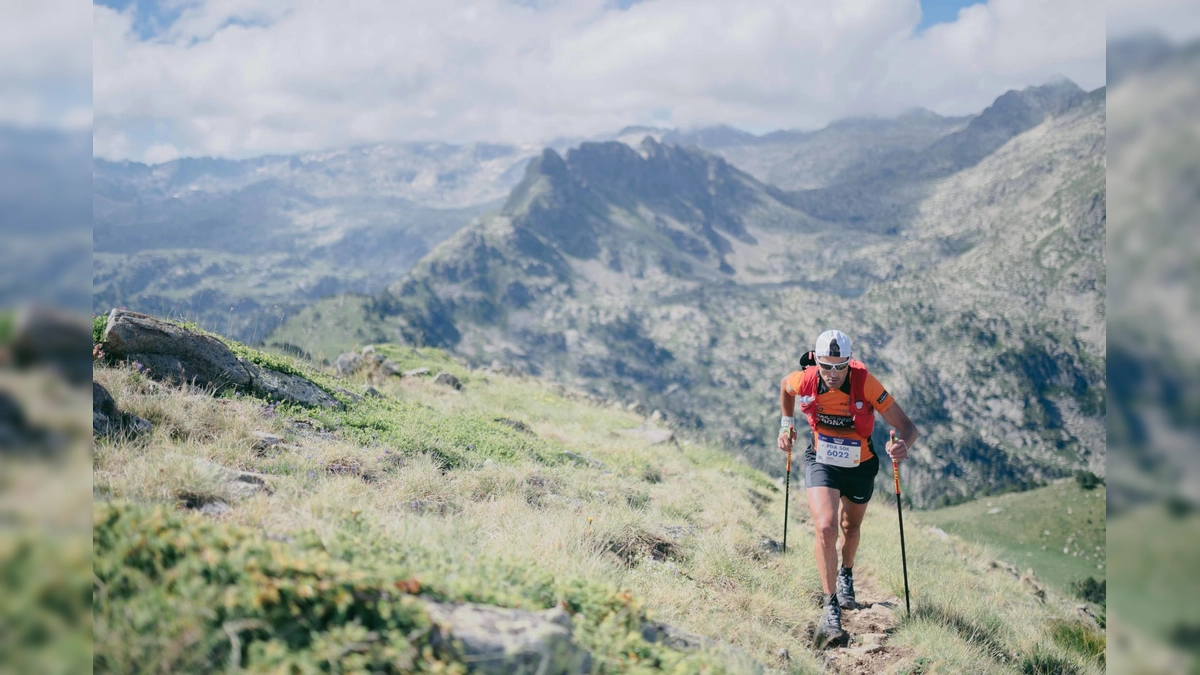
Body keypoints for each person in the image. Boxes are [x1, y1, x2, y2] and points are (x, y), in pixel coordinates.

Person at [777, 329, 918, 646]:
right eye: (827, 366)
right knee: (826, 526)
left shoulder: (865, 383)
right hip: (821, 461)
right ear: (816, 361)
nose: (834, 373)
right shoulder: (806, 379)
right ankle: (830, 608)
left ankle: (847, 574)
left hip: (860, 466)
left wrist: (903, 447)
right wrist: (786, 424)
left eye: (841, 366)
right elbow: (786, 389)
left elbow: (907, 427)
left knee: (849, 527)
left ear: (849, 363)